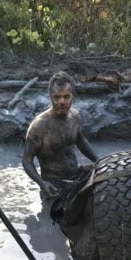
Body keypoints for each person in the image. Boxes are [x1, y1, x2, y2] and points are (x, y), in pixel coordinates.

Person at [22, 71, 99, 199]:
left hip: (76, 178)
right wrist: (42, 184)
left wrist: (99, 161)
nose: (62, 102)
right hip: (53, 185)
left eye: (66, 96)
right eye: (57, 97)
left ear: (73, 96)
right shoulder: (39, 125)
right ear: (50, 97)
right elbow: (27, 160)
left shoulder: (75, 116)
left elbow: (81, 142)